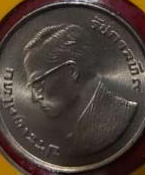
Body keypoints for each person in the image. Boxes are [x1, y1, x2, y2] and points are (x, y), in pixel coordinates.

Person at [23, 23, 137, 155]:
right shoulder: (74, 129)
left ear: (72, 71)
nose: (34, 98)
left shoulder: (119, 117)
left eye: (38, 83)